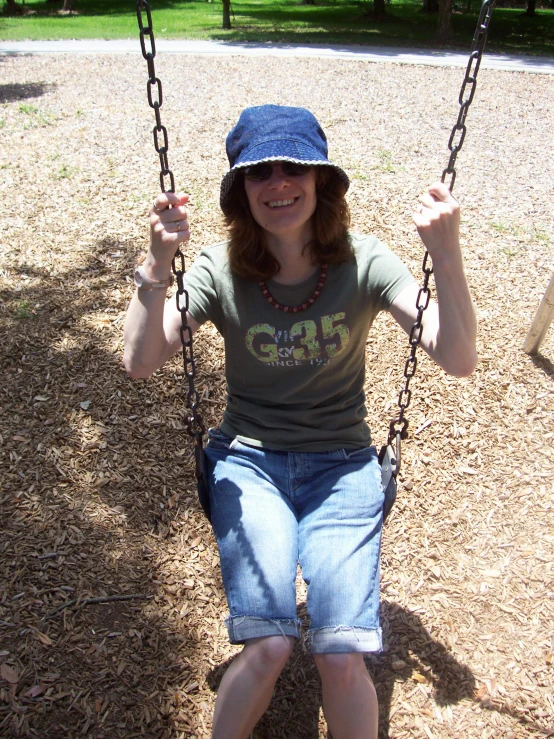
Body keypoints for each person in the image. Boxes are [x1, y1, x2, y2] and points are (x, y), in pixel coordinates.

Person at [123, 104, 477, 739]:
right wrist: (155, 265)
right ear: (241, 191)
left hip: (342, 468)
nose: (278, 184)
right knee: (270, 647)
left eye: (295, 168)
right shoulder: (219, 268)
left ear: (321, 182)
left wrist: (446, 256)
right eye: (260, 173)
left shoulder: (364, 262)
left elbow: (456, 358)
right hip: (248, 463)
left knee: (342, 654)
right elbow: (141, 362)